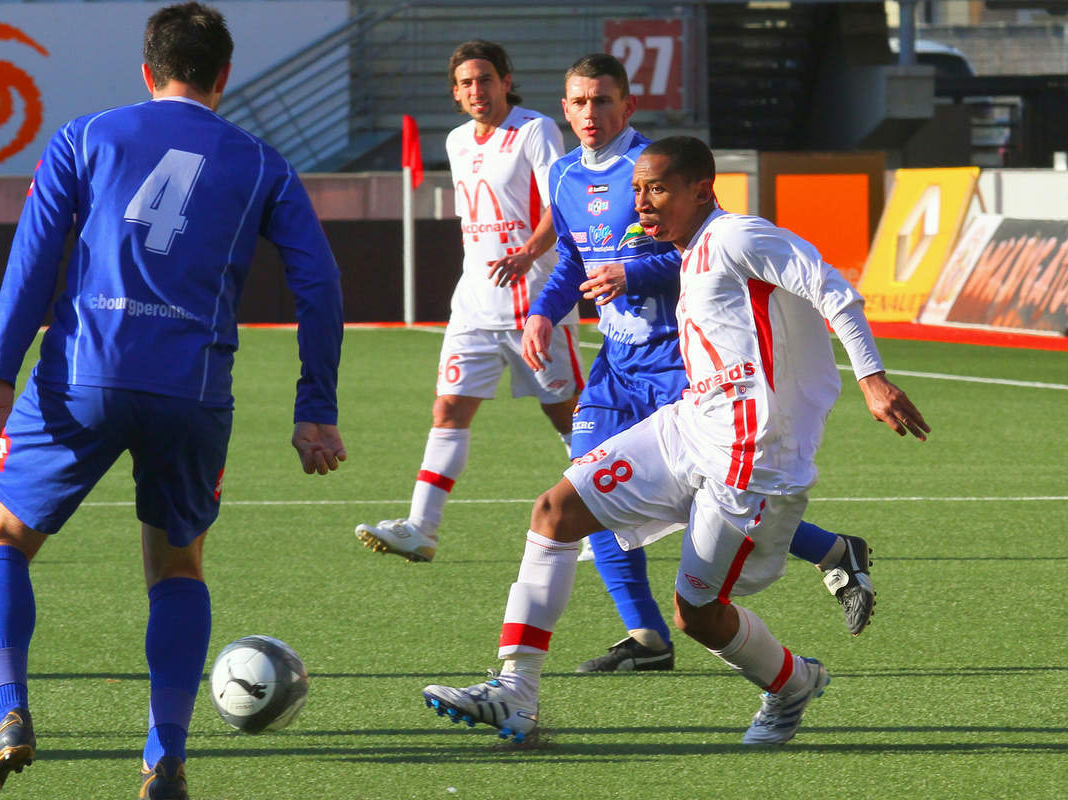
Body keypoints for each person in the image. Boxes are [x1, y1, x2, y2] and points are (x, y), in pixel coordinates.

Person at [0, 4, 346, 798]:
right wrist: (315, 406)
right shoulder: (263, 163)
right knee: (177, 566)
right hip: (191, 392)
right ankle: (164, 751)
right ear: (222, 77)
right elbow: (320, 284)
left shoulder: (85, 136)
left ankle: (9, 713)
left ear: (146, 70)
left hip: (79, 378)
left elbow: (35, 258)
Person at [421, 135, 929, 746]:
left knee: (698, 616)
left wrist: (872, 380)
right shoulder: (686, 250)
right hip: (689, 427)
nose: (642, 203)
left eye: (657, 189)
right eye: (637, 190)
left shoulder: (739, 236)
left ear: (702, 190)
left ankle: (792, 684)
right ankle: (515, 693)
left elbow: (833, 290)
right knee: (555, 510)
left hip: (754, 460)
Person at [521, 54, 874, 675]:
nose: (589, 114)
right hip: (616, 361)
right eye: (577, 102)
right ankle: (646, 635)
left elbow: (702, 253)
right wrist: (544, 312)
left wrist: (630, 271)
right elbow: (575, 262)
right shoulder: (565, 176)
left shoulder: (661, 167)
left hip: (678, 361)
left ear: (627, 106)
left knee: (700, 499)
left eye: (602, 101)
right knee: (581, 489)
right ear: (564, 109)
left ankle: (823, 563)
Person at [354, 40, 583, 562]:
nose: (476, 90)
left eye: (485, 79)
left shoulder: (535, 130)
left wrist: (528, 252)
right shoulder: (457, 141)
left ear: (506, 81)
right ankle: (420, 527)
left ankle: (603, 524)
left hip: (536, 306)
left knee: (569, 416)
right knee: (448, 409)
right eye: (465, 83)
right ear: (455, 94)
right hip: (474, 305)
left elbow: (562, 206)